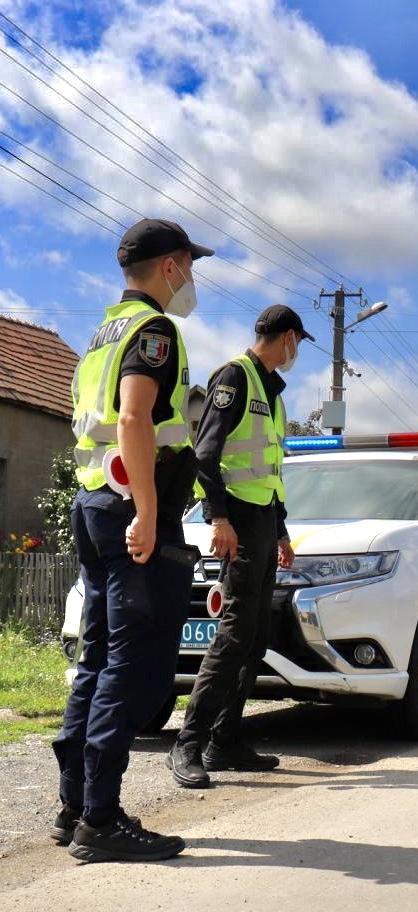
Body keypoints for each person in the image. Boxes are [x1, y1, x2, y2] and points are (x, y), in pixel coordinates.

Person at [53, 218, 213, 862]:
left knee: (96, 659)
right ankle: (101, 819)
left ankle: (74, 810)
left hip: (93, 503)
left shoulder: (100, 334)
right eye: (190, 266)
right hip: (128, 511)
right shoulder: (155, 330)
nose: (192, 279)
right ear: (172, 266)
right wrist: (147, 509)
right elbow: (134, 415)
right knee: (133, 662)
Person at [167, 305, 312, 788]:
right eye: (298, 343)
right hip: (239, 522)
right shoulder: (235, 376)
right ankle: (188, 742)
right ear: (288, 337)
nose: (296, 353)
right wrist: (220, 517)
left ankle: (225, 740)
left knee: (254, 637)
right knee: (233, 635)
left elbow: (270, 471)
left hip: (264, 522)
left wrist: (282, 532)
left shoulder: (275, 394)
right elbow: (204, 454)